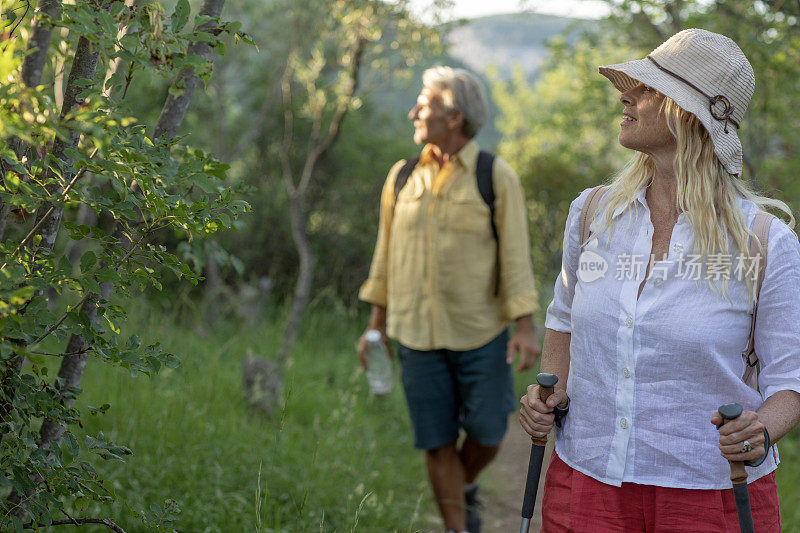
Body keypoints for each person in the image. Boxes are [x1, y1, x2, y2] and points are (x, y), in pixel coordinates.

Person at [520, 28, 800, 531]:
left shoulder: (766, 243)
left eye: (648, 88)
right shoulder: (592, 215)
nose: (626, 96)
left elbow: (788, 385)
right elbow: (563, 321)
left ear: (687, 113)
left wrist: (759, 430)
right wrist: (550, 393)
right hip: (589, 481)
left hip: (709, 492)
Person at [358, 66, 540, 533]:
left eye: (424, 103)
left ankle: (461, 487)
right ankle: (459, 527)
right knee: (436, 441)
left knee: (489, 429)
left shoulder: (494, 175)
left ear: (454, 116)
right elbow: (384, 257)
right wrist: (375, 326)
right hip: (415, 335)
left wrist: (524, 326)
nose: (414, 112)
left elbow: (515, 254)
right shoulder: (401, 177)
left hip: (479, 332)